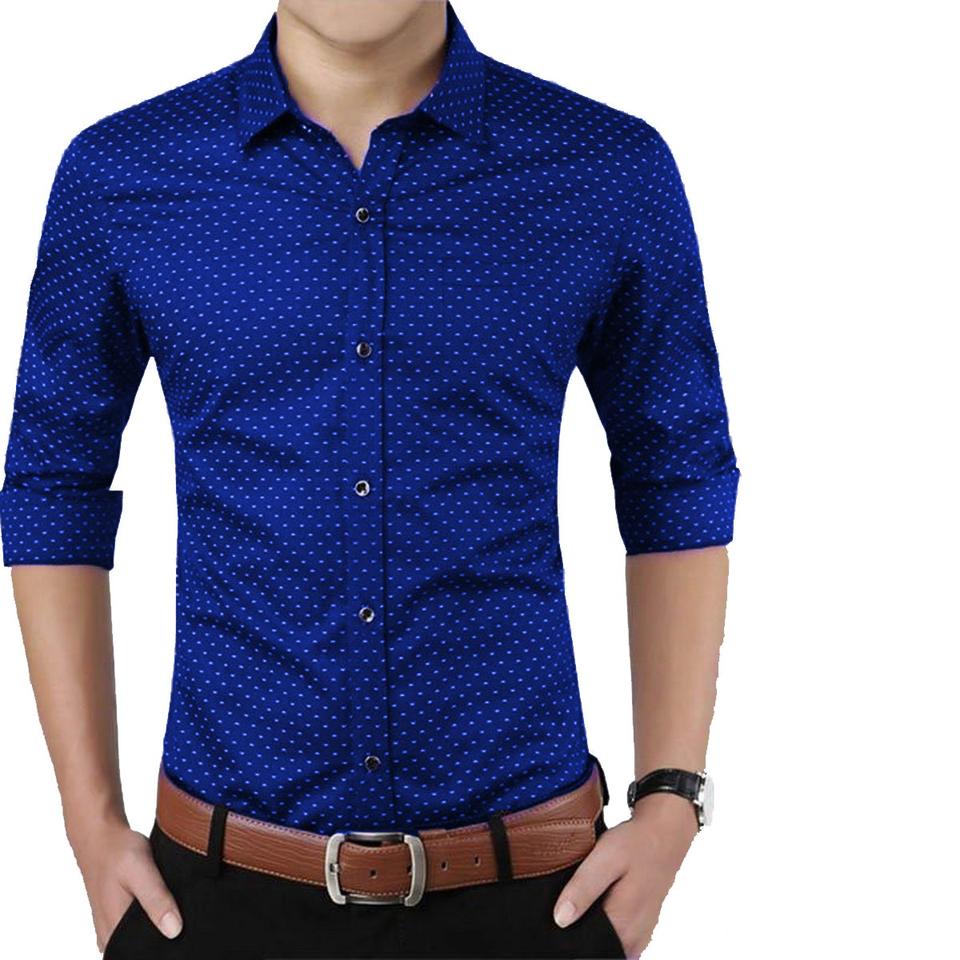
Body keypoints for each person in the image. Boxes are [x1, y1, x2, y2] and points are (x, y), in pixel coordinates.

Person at [0, 1, 739, 957]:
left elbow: (675, 475)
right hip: (215, 898)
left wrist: (672, 797)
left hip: (533, 896)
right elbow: (52, 489)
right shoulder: (123, 175)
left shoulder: (604, 169)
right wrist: (89, 823)